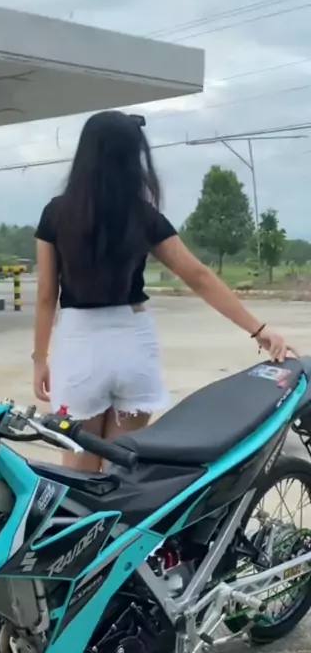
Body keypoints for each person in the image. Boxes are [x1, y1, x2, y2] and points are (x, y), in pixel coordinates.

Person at [33, 110, 296, 472]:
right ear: (133, 159)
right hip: (134, 347)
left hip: (79, 351)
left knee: (78, 476)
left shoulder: (56, 214)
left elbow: (46, 295)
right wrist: (259, 330)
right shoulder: (144, 216)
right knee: (123, 474)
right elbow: (198, 276)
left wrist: (39, 359)